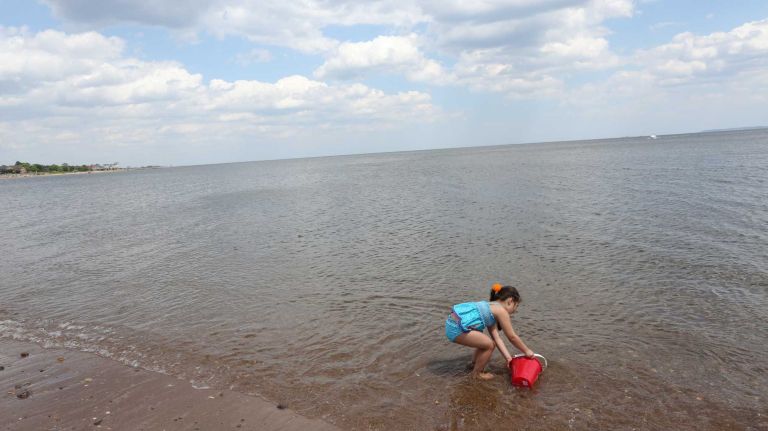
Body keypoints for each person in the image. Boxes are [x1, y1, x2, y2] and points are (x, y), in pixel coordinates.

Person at [445, 283, 535, 380]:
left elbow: (497, 338)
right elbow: (512, 337)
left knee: (484, 342)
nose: (514, 311)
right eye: (516, 306)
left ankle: (473, 364)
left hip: (452, 325)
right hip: (456, 328)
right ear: (510, 301)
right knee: (489, 345)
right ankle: (476, 374)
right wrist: (527, 350)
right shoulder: (501, 311)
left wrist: (508, 358)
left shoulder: (491, 307)